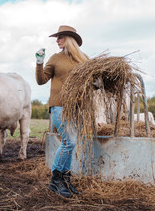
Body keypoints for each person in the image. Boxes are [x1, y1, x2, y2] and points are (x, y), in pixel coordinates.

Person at [35, 25, 89, 198]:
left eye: (60, 37)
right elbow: (41, 80)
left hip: (75, 108)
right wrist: (39, 62)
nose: (57, 40)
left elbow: (90, 81)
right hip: (58, 106)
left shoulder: (83, 59)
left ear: (69, 39)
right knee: (69, 141)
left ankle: (65, 180)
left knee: (70, 143)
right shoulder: (55, 58)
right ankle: (55, 180)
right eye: (57, 38)